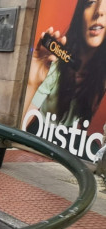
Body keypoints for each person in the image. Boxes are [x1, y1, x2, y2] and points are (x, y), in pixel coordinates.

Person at [23, 0, 106, 137]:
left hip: (71, 145)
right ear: (80, 12)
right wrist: (33, 83)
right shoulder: (55, 62)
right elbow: (19, 130)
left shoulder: (100, 76)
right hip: (39, 136)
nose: (99, 11)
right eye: (91, 2)